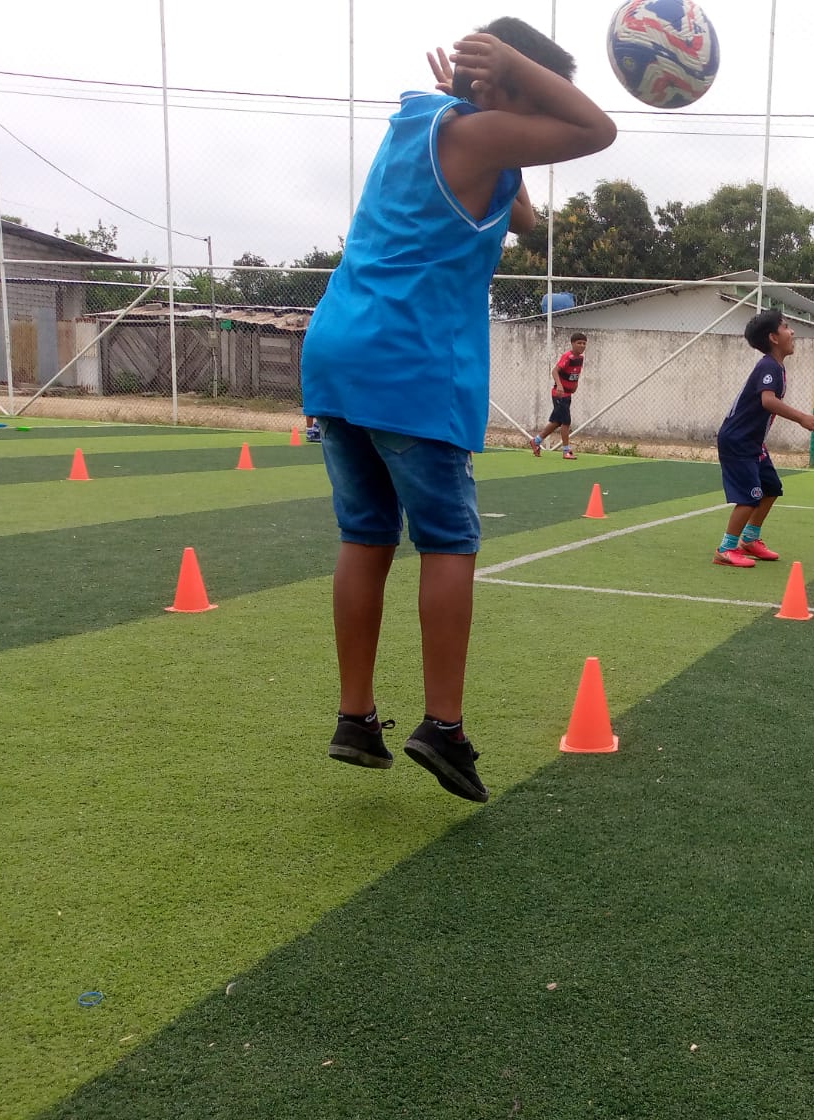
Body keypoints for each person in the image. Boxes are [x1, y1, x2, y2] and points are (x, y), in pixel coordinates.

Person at [300, 19, 616, 799]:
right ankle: (443, 726)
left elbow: (524, 220)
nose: (541, 117)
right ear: (503, 85)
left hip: (340, 348)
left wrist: (488, 95)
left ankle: (354, 717)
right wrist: (507, 72)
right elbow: (596, 130)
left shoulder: (425, 124)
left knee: (365, 534)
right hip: (410, 362)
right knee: (448, 540)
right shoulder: (477, 134)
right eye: (532, 96)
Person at [712, 310, 814, 567]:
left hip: (753, 443)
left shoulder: (775, 366)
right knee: (750, 497)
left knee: (771, 488)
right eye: (786, 327)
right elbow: (768, 401)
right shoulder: (768, 366)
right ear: (773, 337)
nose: (792, 332)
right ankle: (726, 549)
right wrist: (802, 418)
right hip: (738, 441)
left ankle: (750, 540)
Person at [532, 331, 587, 459]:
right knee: (566, 422)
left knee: (557, 422)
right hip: (560, 394)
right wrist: (560, 386)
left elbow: (575, 373)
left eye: (584, 343)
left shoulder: (580, 358)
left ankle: (536, 441)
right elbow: (555, 371)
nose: (582, 346)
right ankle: (566, 450)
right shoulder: (567, 357)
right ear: (572, 344)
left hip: (567, 394)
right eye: (579, 343)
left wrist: (575, 385)